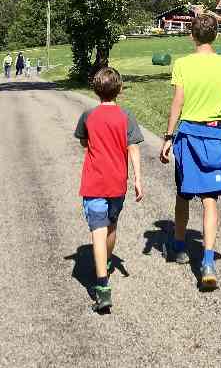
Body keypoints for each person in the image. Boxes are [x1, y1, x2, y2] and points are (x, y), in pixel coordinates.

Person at [159, 12, 221, 290]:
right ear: (216, 35)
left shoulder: (183, 64)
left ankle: (180, 246)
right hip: (215, 133)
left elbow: (177, 102)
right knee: (210, 199)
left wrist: (168, 136)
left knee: (183, 193)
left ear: (192, 35)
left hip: (189, 135)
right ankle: (207, 261)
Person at [74, 67, 145, 312]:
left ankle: (102, 286)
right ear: (120, 90)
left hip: (94, 182)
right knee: (111, 226)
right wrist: (137, 179)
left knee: (98, 229)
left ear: (95, 91)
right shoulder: (127, 117)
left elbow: (84, 141)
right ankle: (105, 265)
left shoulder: (88, 116)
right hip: (117, 183)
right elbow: (133, 148)